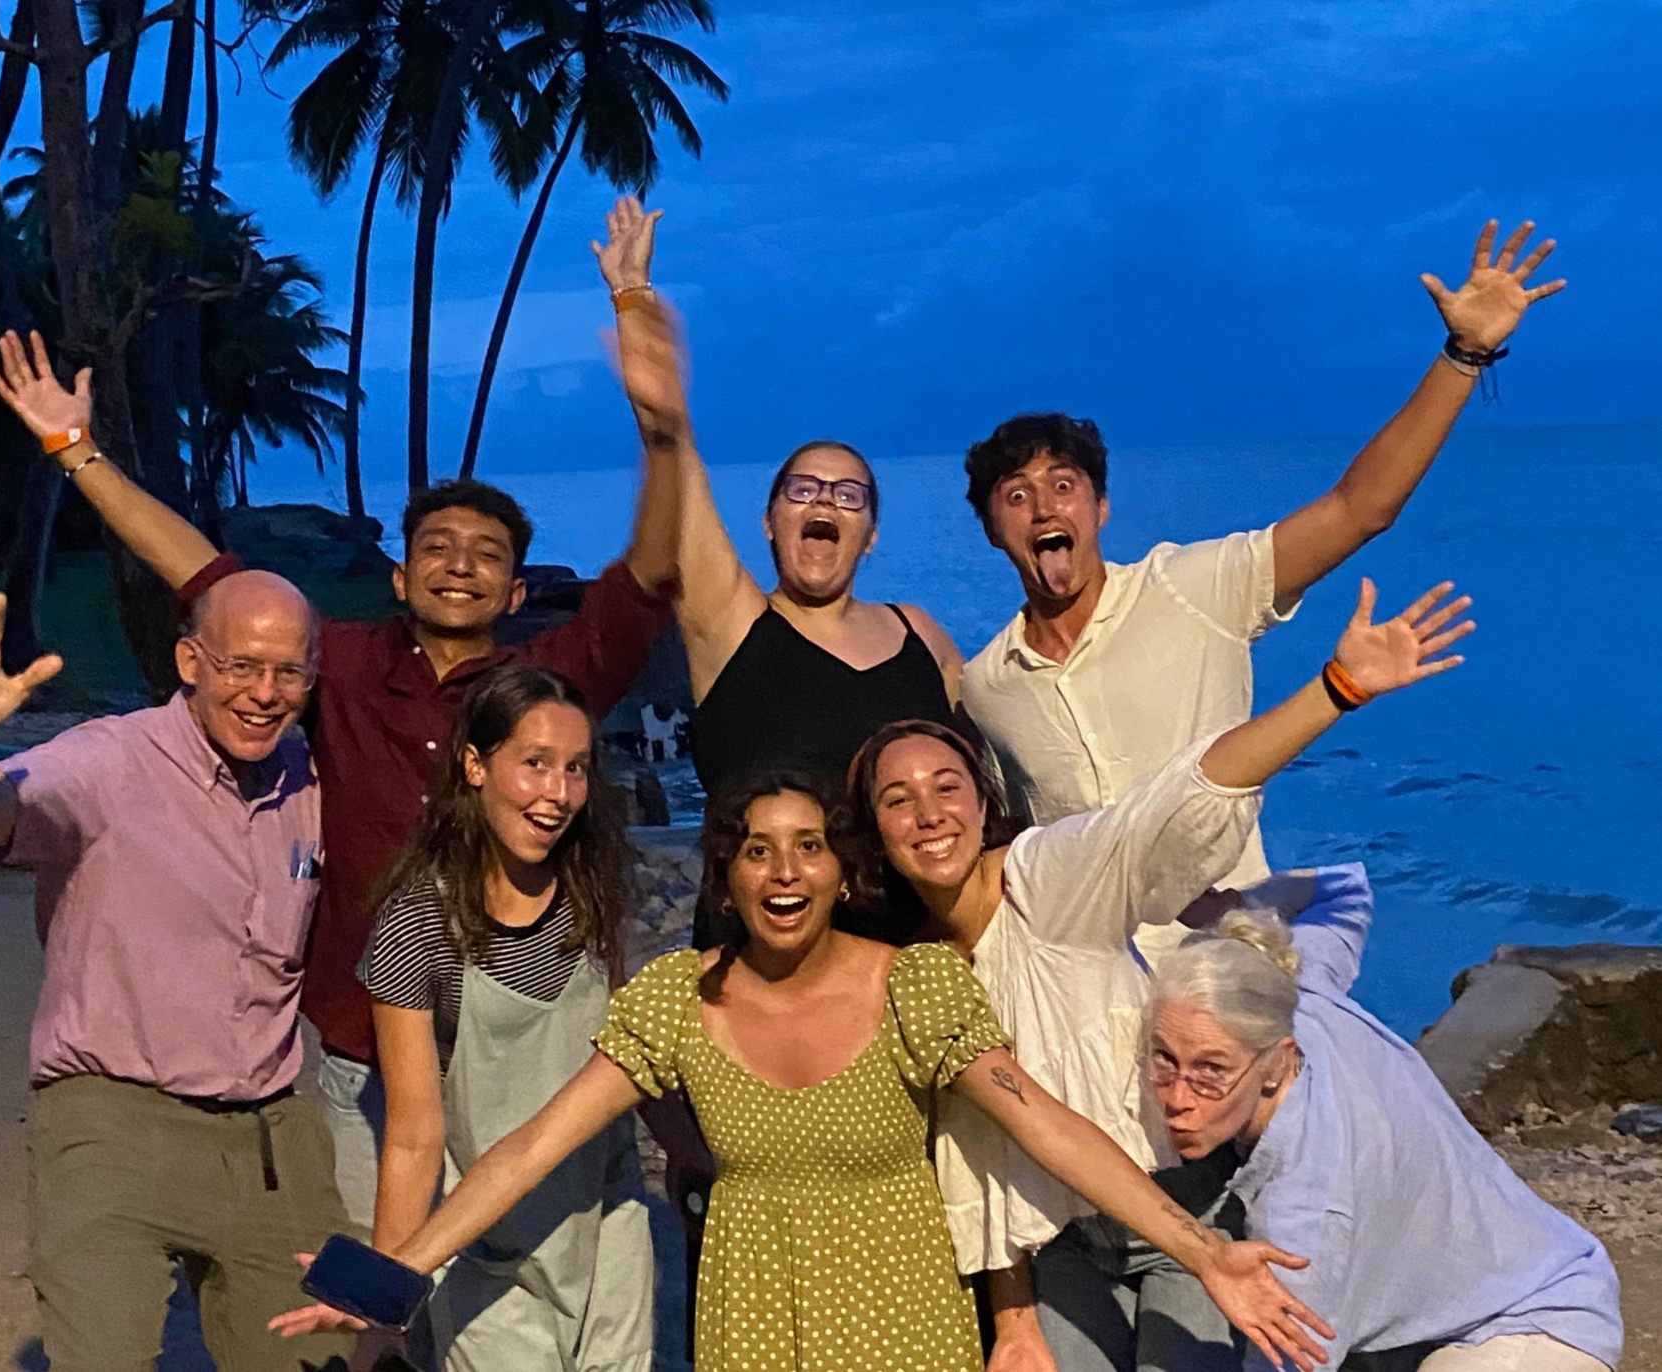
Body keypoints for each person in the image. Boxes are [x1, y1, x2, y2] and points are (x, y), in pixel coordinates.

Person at [273, 771, 1336, 1371]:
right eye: (756, 848)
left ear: (838, 870)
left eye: (809, 845)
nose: (785, 869)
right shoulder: (675, 1000)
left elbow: (1044, 1125)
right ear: (727, 874)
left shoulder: (914, 986)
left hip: (901, 1309)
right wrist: (392, 1269)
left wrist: (1203, 1251)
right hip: (749, 1311)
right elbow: (525, 1149)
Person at [0, 328, 679, 1233]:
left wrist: (663, 431)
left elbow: (649, 575)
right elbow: (201, 573)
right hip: (363, 1043)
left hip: (516, 1043)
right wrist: (75, 451)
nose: (459, 563)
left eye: (486, 553)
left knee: (512, 1278)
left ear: (515, 593)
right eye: (436, 546)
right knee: (373, 1272)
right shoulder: (338, 664)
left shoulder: (547, 684)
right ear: (400, 574)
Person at [854, 578, 1474, 1372]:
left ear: (982, 799)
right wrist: (1011, 1323)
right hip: (1066, 1240)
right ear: (874, 830)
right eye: (897, 801)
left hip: (1193, 1208)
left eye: (947, 788)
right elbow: (978, 1153)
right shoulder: (919, 972)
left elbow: (1171, 803)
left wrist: (1334, 689)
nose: (928, 813)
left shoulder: (1045, 881)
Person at [958, 218, 1565, 967]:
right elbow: (1013, 845)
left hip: (1228, 961)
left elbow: (1357, 508)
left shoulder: (1190, 587)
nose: (1045, 508)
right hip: (1087, 980)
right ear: (990, 529)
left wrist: (1463, 355)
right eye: (1016, 496)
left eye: (1063, 486)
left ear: (1100, 508)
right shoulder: (986, 688)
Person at [0, 582, 352, 1372]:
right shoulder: (108, 762)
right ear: (189, 660)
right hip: (112, 1124)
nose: (263, 693)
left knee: (324, 1357)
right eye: (240, 665)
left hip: (270, 1139)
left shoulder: (308, 779)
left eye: (288, 673)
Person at [1143, 867, 1623, 1372]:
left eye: (1211, 1071)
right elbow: (1341, 890)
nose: (1177, 1097)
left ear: (1277, 1062)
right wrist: (1233, 908)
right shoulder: (1296, 997)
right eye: (1164, 1059)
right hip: (1441, 1315)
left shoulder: (1305, 1215)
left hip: (1530, 1322)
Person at [597, 198, 965, 809]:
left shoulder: (918, 632)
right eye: (803, 489)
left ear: (871, 534)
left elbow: (994, 752)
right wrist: (632, 293)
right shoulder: (730, 622)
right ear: (770, 522)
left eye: (849, 495)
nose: (825, 499)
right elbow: (674, 455)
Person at [357, 664, 652, 1369]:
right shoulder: (417, 925)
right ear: (474, 765)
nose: (557, 793)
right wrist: (383, 1306)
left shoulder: (596, 896)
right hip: (488, 1243)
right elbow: (413, 1137)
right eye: (535, 764)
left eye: (576, 769)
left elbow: (637, 1053)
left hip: (604, 1223)